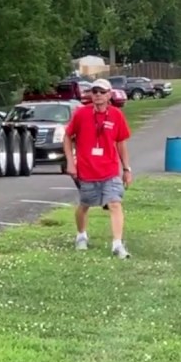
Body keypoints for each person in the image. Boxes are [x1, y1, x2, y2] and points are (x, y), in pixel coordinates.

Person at [62, 78, 133, 259]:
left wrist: (126, 169)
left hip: (109, 170)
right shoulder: (81, 113)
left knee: (115, 203)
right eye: (94, 92)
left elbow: (121, 143)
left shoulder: (116, 115)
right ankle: (81, 235)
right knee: (85, 204)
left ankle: (117, 244)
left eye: (102, 92)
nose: (98, 95)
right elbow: (67, 137)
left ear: (109, 95)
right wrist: (71, 162)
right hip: (86, 170)